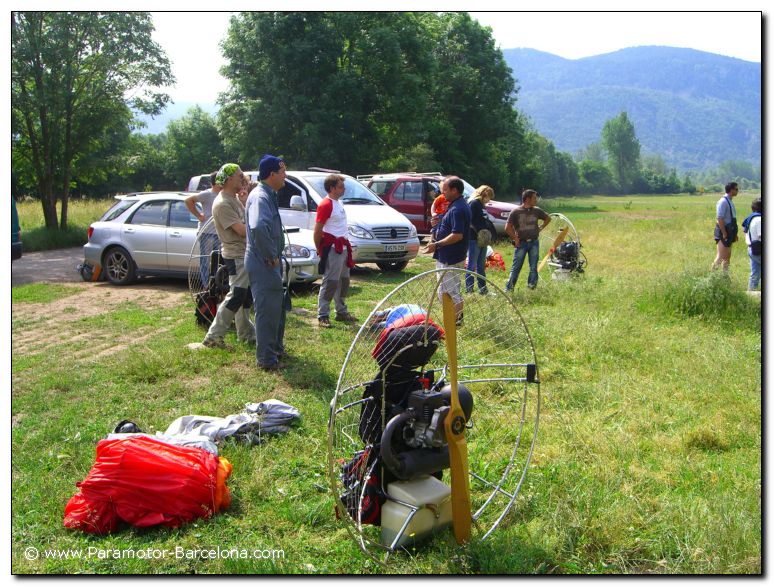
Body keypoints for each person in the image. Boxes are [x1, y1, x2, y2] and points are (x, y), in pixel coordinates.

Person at [202, 164, 254, 348]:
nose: (243, 179)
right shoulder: (223, 203)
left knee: (244, 295)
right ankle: (214, 336)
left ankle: (246, 333)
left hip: (242, 253)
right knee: (237, 294)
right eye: (240, 176)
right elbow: (241, 230)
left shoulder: (233, 199)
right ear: (229, 179)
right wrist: (261, 229)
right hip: (236, 255)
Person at [245, 155, 288, 371]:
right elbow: (259, 227)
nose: (285, 176)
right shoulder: (261, 196)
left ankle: (275, 349)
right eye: (283, 172)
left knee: (275, 308)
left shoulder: (267, 195)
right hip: (263, 262)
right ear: (272, 174)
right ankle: (266, 359)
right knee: (266, 310)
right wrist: (271, 255)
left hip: (267, 260)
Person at [423, 176, 471, 324]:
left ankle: (455, 323)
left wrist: (436, 245)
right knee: (445, 291)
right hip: (448, 256)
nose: (442, 194)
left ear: (454, 190)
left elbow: (457, 235)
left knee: (450, 292)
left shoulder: (457, 208)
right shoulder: (455, 205)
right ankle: (453, 320)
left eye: (445, 190)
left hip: (451, 257)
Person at [314, 173, 357, 328]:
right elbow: (318, 230)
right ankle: (323, 315)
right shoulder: (326, 204)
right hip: (333, 249)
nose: (343, 188)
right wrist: (321, 249)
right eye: (340, 186)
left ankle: (341, 311)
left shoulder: (338, 203)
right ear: (332, 188)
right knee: (330, 281)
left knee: (344, 281)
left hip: (342, 248)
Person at [504, 188, 551, 291]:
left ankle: (531, 287)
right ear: (527, 199)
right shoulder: (516, 212)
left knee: (533, 267)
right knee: (516, 268)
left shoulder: (537, 210)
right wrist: (515, 238)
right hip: (521, 243)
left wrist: (541, 227)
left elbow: (548, 218)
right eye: (534, 198)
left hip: (534, 242)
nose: (536, 200)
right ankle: (508, 289)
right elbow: (507, 228)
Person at [185, 171, 221, 285]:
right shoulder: (207, 194)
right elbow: (188, 200)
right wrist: (199, 215)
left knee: (218, 261)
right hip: (206, 233)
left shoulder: (223, 194)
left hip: (219, 233)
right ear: (216, 182)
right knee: (205, 260)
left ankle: (216, 285)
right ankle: (206, 285)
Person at [465, 185, 495, 295]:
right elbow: (470, 220)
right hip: (474, 238)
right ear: (484, 194)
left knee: (481, 265)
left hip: (482, 239)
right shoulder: (474, 203)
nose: (489, 200)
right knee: (471, 265)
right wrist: (479, 232)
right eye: (489, 197)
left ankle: (483, 290)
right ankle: (469, 290)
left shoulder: (481, 205)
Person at [712, 182, 740, 272]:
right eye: (736, 189)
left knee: (727, 256)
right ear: (731, 190)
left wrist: (734, 234)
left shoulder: (730, 201)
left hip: (729, 231)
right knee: (721, 256)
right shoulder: (723, 201)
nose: (737, 191)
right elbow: (720, 218)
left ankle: (725, 277)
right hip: (723, 232)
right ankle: (712, 277)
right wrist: (724, 233)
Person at [742, 197, 762, 291]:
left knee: (755, 274)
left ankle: (751, 294)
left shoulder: (752, 218)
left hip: (752, 249)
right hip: (759, 250)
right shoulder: (759, 220)